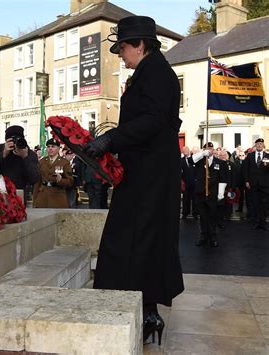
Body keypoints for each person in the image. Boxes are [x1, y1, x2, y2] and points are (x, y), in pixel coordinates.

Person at [82, 16, 184, 345]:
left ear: (140, 45)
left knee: (134, 240)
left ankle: (138, 310)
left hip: (150, 175)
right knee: (140, 242)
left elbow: (152, 121)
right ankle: (146, 311)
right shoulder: (151, 71)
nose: (120, 55)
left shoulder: (155, 73)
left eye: (123, 47)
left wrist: (111, 139)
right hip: (146, 172)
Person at [190, 142, 227, 247]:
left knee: (212, 215)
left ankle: (213, 236)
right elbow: (190, 160)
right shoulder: (199, 161)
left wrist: (221, 192)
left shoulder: (219, 162)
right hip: (201, 193)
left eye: (211, 148)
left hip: (213, 194)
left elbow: (223, 178)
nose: (210, 150)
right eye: (207, 148)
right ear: (204, 149)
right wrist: (202, 154)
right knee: (202, 216)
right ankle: (203, 236)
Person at [0, 126, 40, 195]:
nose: (15, 143)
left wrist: (25, 157)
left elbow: (34, 179)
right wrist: (3, 154)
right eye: (12, 141)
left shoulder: (29, 153)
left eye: (18, 140)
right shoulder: (0, 149)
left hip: (19, 194)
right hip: (1, 191)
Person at [33, 138, 73, 208]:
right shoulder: (42, 162)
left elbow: (70, 181)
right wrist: (35, 199)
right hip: (43, 197)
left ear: (58, 149)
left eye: (53, 146)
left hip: (58, 197)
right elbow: (37, 182)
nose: (50, 149)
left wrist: (61, 180)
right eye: (48, 147)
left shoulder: (64, 163)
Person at [243, 138, 269, 231]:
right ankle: (257, 222)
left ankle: (263, 223)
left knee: (264, 204)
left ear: (263, 145)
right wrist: (247, 181)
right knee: (255, 204)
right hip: (253, 184)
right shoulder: (250, 156)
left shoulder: (267, 156)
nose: (259, 145)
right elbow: (245, 169)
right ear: (255, 145)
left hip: (265, 184)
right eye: (257, 144)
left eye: (261, 144)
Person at [181, 146, 197, 219]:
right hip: (185, 183)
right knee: (185, 199)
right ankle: (185, 213)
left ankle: (195, 213)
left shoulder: (194, 159)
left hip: (195, 183)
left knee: (195, 199)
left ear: (189, 150)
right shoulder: (181, 160)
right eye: (183, 150)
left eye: (186, 149)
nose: (185, 151)